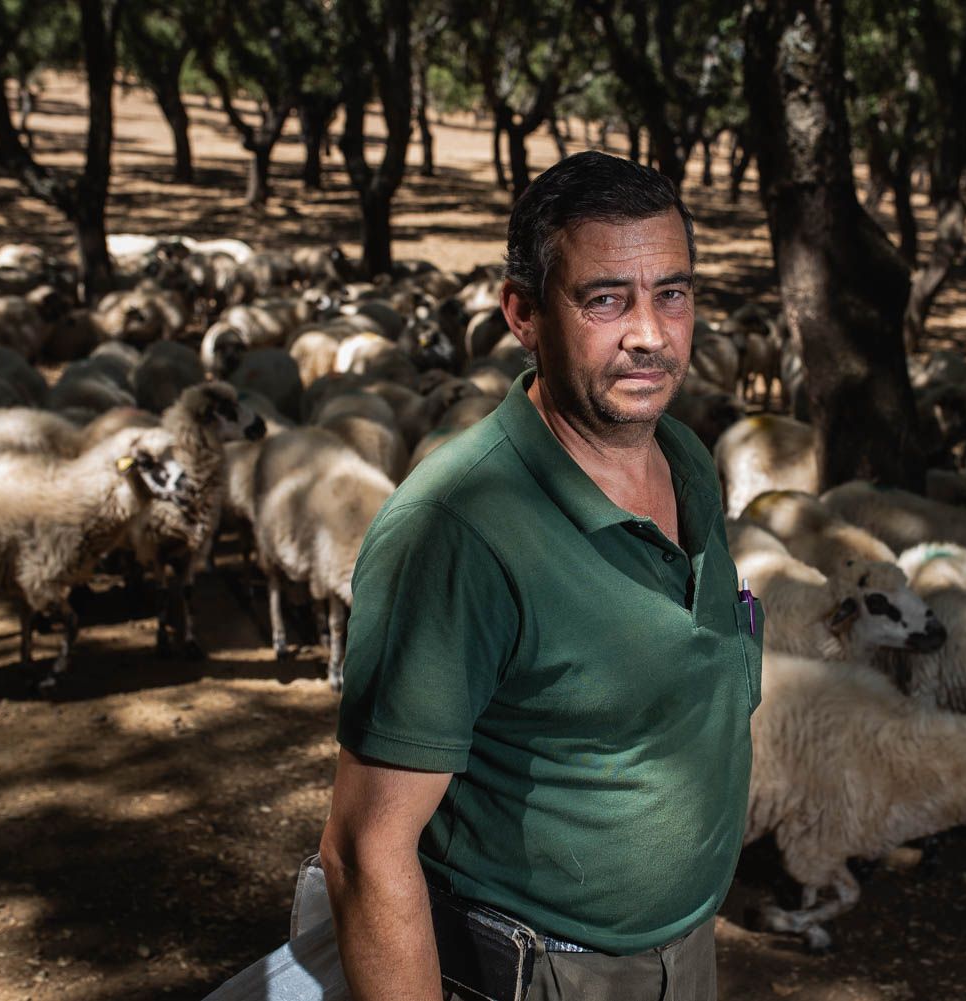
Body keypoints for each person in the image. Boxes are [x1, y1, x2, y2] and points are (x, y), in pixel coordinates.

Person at [319, 150, 763, 1001]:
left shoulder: (683, 457)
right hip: (547, 974)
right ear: (522, 314)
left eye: (672, 293)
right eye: (606, 299)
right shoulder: (458, 534)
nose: (650, 333)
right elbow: (364, 852)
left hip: (686, 952)